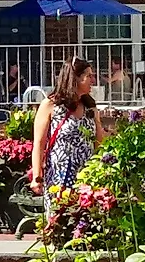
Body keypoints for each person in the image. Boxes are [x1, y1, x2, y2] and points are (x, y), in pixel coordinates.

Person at [29, 58, 97, 194]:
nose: (93, 81)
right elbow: (39, 143)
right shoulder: (50, 105)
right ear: (74, 78)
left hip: (87, 179)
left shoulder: (90, 107)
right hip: (59, 177)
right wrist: (37, 176)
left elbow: (99, 141)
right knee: (59, 214)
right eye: (88, 76)